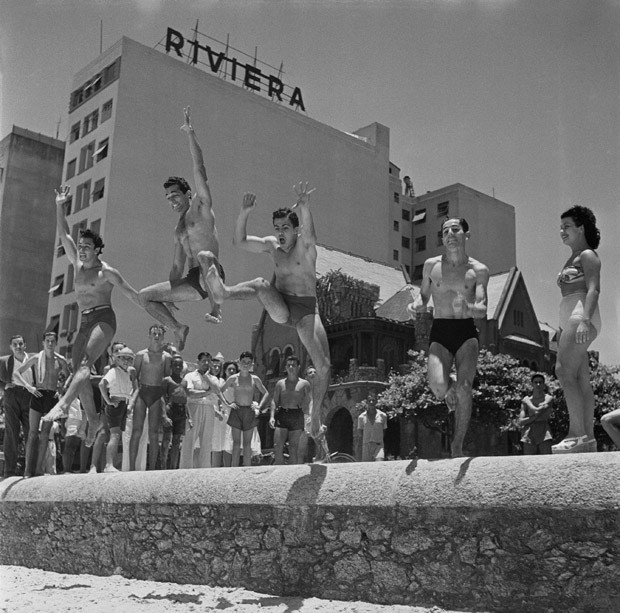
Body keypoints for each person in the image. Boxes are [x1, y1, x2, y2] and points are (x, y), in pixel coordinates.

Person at [205, 183, 331, 438]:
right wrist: (244, 211)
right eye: (277, 228)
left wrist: (305, 207)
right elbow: (239, 241)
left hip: (306, 311)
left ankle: (315, 417)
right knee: (262, 285)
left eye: (286, 228)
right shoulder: (273, 246)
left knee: (324, 366)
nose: (280, 233)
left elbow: (312, 237)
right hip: (282, 306)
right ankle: (223, 293)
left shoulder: (305, 248)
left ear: (296, 230)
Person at [42, 186, 141, 448]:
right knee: (79, 372)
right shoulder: (76, 265)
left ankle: (62, 405)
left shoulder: (106, 272)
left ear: (97, 250)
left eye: (87, 247)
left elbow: (132, 294)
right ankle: (95, 420)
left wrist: (160, 310)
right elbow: (63, 233)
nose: (82, 250)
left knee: (85, 364)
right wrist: (59, 204)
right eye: (81, 246)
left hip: (104, 319)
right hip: (84, 321)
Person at [138, 107, 226, 351]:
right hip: (192, 281)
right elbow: (177, 266)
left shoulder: (200, 207)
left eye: (175, 194)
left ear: (188, 194)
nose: (171, 200)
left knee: (205, 256)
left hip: (212, 274)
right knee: (143, 296)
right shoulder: (178, 229)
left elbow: (200, 168)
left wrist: (190, 134)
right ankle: (178, 328)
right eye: (167, 197)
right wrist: (170, 297)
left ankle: (217, 309)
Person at [407, 217, 489, 458]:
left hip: (466, 332)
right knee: (437, 387)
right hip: (440, 330)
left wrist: (468, 308)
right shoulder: (431, 265)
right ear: (442, 238)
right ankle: (450, 383)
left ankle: (457, 445)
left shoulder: (478, 270)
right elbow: (423, 297)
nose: (450, 234)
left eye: (456, 229)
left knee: (466, 388)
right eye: (445, 231)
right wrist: (415, 306)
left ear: (466, 234)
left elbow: (483, 309)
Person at [552, 206, 601, 454]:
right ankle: (588, 438)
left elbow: (593, 289)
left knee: (563, 370)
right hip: (568, 317)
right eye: (561, 227)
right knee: (581, 377)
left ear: (581, 228)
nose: (562, 231)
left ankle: (576, 432)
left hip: (581, 313)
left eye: (567, 226)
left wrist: (585, 320)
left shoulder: (587, 256)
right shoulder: (571, 258)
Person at [16, 332, 69, 477]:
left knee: (45, 434)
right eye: (47, 341)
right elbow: (17, 373)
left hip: (51, 397)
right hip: (38, 394)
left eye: (53, 341)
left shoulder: (61, 360)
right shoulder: (36, 358)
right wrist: (29, 387)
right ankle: (27, 469)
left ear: (56, 343)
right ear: (43, 343)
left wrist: (61, 389)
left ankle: (39, 469)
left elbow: (69, 375)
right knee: (32, 433)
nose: (50, 344)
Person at [129, 325, 172, 471]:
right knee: (137, 430)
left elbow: (166, 379)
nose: (157, 336)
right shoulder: (141, 355)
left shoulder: (166, 357)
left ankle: (152, 468)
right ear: (149, 335)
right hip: (143, 391)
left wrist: (164, 400)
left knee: (154, 433)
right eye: (154, 333)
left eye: (159, 334)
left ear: (163, 337)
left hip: (156, 393)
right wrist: (135, 394)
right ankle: (131, 467)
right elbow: (134, 375)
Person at [180, 352, 228, 469]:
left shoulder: (212, 378)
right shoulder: (190, 376)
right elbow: (190, 392)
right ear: (198, 362)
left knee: (207, 440)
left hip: (209, 408)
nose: (206, 363)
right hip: (194, 406)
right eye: (203, 361)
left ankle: (204, 469)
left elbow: (217, 390)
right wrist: (207, 392)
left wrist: (207, 377)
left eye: (208, 361)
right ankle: (185, 468)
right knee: (190, 439)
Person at [221, 351, 269, 467]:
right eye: (244, 362)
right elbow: (220, 391)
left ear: (252, 364)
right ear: (239, 363)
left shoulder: (255, 379)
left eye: (248, 362)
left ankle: (247, 469)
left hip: (249, 411)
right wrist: (227, 404)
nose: (246, 365)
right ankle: (234, 468)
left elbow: (266, 393)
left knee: (247, 444)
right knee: (236, 443)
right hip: (236, 411)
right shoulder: (233, 378)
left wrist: (258, 406)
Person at [0, 335, 36, 477]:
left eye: (20, 343)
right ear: (11, 347)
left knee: (31, 433)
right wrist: (3, 386)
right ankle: (9, 471)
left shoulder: (33, 359)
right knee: (11, 433)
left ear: (25, 345)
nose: (18, 346)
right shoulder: (4, 361)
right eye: (15, 344)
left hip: (29, 395)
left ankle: (30, 470)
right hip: (12, 394)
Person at [99, 346, 139, 473]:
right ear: (118, 359)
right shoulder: (114, 371)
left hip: (122, 404)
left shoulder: (126, 372)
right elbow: (102, 384)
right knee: (114, 435)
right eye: (123, 359)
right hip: (115, 404)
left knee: (117, 435)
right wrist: (109, 401)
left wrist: (129, 404)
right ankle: (108, 464)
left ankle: (111, 464)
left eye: (129, 359)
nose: (126, 361)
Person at [270, 356, 311, 464]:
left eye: (293, 365)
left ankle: (291, 473)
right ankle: (279, 470)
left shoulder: (304, 384)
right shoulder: (280, 383)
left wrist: (310, 416)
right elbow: (274, 401)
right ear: (285, 367)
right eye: (288, 365)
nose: (291, 367)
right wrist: (271, 417)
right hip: (283, 413)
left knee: (294, 448)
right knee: (277, 446)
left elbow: (310, 401)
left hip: (296, 415)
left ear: (298, 367)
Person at [161, 355, 189, 469]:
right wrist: (163, 415)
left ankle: (173, 466)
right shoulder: (167, 380)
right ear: (171, 366)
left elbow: (186, 398)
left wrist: (188, 416)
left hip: (181, 411)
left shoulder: (184, 381)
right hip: (170, 409)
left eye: (180, 365)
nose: (178, 367)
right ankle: (163, 466)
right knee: (167, 438)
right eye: (176, 365)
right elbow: (162, 397)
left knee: (177, 440)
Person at [517, 373, 554, 455]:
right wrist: (534, 417)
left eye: (540, 382)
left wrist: (527, 402)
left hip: (544, 431)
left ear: (544, 384)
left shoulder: (548, 398)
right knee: (529, 461)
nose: (538, 384)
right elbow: (520, 422)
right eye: (536, 382)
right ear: (532, 384)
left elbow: (537, 411)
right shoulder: (526, 400)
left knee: (546, 459)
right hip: (529, 433)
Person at [357, 394, 388, 462]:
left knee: (379, 464)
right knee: (367, 467)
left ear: (376, 402)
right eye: (369, 400)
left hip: (378, 445)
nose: (371, 402)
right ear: (367, 402)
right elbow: (360, 432)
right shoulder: (361, 417)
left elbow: (384, 431)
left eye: (373, 400)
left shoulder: (383, 415)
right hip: (366, 446)